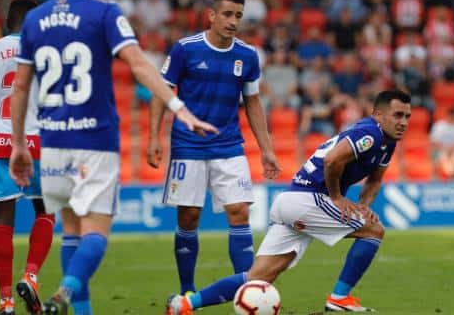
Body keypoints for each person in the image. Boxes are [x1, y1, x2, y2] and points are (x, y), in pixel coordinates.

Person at [9, 0, 216, 314]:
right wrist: (179, 108)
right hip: (94, 142)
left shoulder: (34, 19)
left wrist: (17, 145)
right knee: (96, 235)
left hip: (53, 144)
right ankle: (65, 291)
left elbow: (21, 88)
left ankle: (78, 308)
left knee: (71, 232)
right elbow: (137, 63)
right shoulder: (105, 13)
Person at [165, 90, 412, 314]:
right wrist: (336, 197)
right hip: (309, 199)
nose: (403, 122)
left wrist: (364, 206)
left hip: (290, 202)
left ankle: (184, 304)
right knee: (374, 231)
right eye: (397, 115)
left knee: (257, 277)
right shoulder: (370, 132)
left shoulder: (388, 143)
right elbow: (332, 160)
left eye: (407, 117)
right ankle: (339, 298)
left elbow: (375, 180)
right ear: (378, 114)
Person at [147, 0, 281, 296]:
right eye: (227, 14)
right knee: (189, 217)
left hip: (229, 145)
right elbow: (161, 91)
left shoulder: (247, 55)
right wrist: (155, 136)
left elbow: (253, 103)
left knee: (240, 212)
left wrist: (267, 150)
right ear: (212, 15)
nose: (233, 21)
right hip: (187, 146)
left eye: (238, 16)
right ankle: (187, 292)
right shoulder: (185, 49)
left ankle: (245, 292)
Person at [0, 0, 54, 315]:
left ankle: (5, 301)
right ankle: (30, 275)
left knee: (1, 220)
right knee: (46, 210)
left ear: (7, 22)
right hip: (37, 141)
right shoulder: (45, 57)